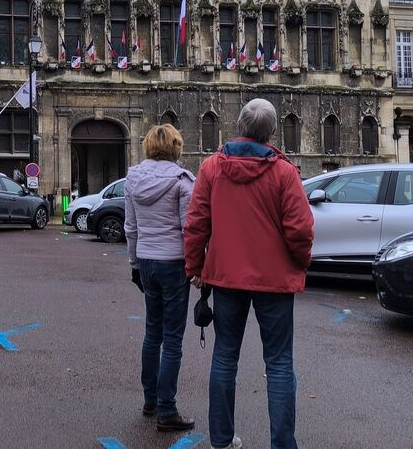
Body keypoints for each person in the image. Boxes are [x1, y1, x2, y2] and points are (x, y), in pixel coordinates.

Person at [184, 99, 314, 449]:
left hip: (226, 277)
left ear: (239, 127)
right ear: (271, 132)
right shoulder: (284, 172)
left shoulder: (212, 168)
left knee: (225, 356)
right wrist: (300, 262)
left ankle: (222, 440)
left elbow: (196, 223)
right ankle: (283, 444)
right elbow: (300, 229)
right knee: (280, 363)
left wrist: (194, 266)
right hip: (274, 279)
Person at [124, 124, 197, 432]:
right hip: (173, 262)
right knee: (174, 339)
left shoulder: (132, 179)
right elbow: (188, 230)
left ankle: (150, 399)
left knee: (152, 333)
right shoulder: (182, 181)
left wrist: (134, 263)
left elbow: (130, 227)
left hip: (147, 260)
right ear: (176, 147)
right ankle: (167, 409)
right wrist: (196, 267)